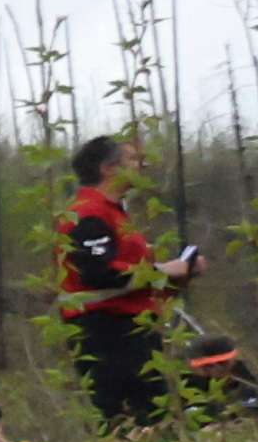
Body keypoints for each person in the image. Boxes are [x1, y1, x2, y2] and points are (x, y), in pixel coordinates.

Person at [53, 132, 220, 425]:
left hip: (133, 330)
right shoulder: (87, 214)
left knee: (153, 416)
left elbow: (134, 284)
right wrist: (165, 270)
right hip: (107, 334)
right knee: (129, 421)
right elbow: (99, 275)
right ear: (108, 169)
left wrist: (181, 275)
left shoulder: (114, 215)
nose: (141, 164)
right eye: (131, 158)